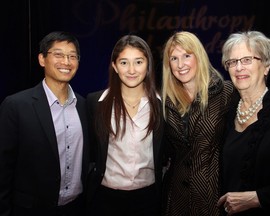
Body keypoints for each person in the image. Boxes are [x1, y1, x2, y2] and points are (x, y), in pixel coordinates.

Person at [0, 31, 90, 216]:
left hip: (76, 208)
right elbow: (3, 167)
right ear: (42, 59)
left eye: (72, 56)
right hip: (31, 210)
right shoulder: (16, 105)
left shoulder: (84, 104)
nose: (66, 62)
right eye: (58, 54)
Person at [86, 34, 164, 216]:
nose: (131, 70)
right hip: (105, 199)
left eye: (138, 62)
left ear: (148, 65)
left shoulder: (162, 106)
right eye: (123, 63)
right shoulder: (95, 103)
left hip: (148, 199)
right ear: (114, 66)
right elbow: (89, 152)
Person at [161, 31, 236, 216]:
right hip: (176, 197)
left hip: (213, 197)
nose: (181, 65)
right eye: (174, 58)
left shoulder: (226, 93)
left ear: (199, 56)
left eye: (187, 56)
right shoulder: (166, 102)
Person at [217, 30, 270, 215]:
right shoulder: (227, 113)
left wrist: (258, 198)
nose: (239, 68)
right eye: (232, 62)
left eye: (247, 60)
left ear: (266, 66)